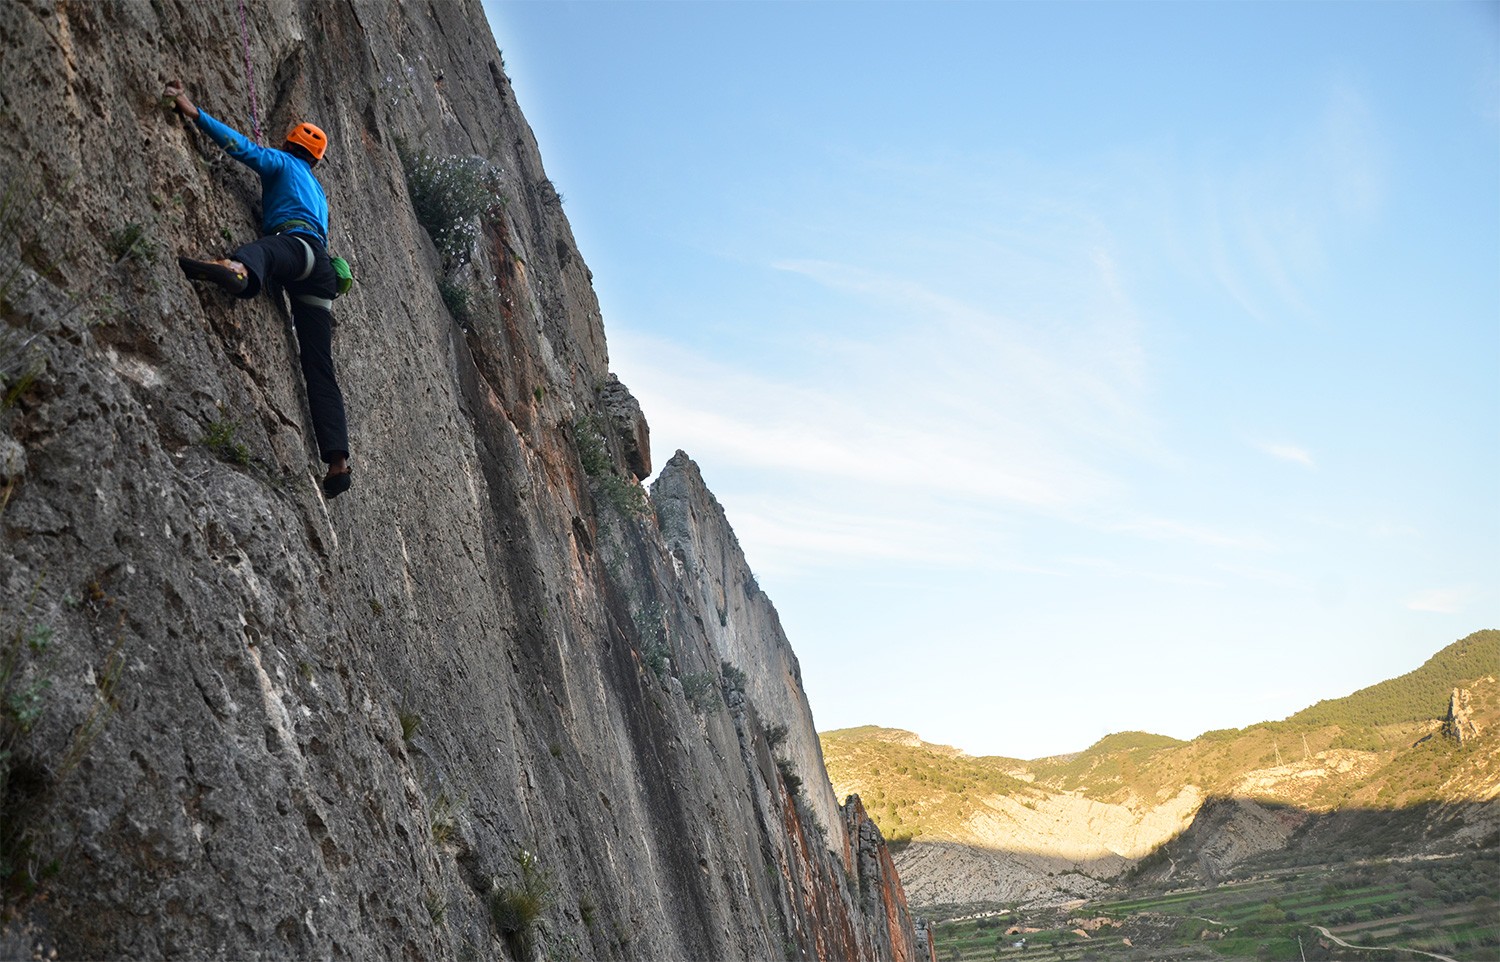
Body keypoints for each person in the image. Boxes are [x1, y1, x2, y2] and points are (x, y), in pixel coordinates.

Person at [165, 80, 353, 498]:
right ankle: (338, 461)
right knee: (319, 366)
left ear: (289, 145)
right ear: (316, 160)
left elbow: (243, 149)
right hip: (319, 270)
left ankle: (239, 271)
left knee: (263, 253)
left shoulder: (282, 163)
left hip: (294, 249)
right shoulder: (319, 193)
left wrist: (194, 112)